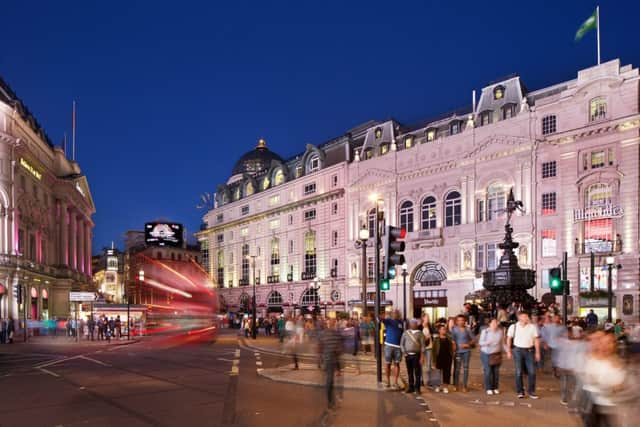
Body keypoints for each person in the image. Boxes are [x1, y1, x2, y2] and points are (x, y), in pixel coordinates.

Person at [581, 332, 628, 426]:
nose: (604, 346)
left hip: (610, 405)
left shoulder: (617, 362)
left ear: (613, 345)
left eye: (608, 343)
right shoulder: (591, 359)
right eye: (602, 342)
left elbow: (619, 386)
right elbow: (588, 378)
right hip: (592, 402)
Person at [506, 311, 541, 399]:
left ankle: (531, 391)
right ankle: (520, 391)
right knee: (519, 372)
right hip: (517, 350)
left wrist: (537, 352)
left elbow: (536, 339)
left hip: (529, 350)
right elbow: (509, 339)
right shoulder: (513, 327)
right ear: (520, 318)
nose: (526, 318)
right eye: (524, 316)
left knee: (532, 372)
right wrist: (509, 351)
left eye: (527, 316)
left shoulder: (532, 327)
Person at [319, 319, 343, 409]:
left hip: (328, 360)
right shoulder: (336, 334)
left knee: (330, 381)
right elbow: (338, 350)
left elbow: (319, 347)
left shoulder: (323, 334)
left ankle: (331, 400)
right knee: (330, 381)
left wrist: (321, 360)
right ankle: (330, 401)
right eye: (334, 324)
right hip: (330, 360)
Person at [400, 319, 425, 394]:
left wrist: (422, 357)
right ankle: (411, 387)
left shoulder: (420, 333)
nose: (413, 324)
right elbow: (402, 343)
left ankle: (417, 388)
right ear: (409, 325)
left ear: (416, 324)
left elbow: (423, 346)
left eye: (414, 323)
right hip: (408, 356)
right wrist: (404, 352)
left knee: (417, 372)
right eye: (411, 323)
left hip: (417, 356)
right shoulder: (405, 333)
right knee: (409, 372)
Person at [479, 318, 503, 395]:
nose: (495, 324)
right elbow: (480, 342)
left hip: (496, 354)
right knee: (488, 371)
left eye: (496, 323)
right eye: (493, 323)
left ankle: (495, 387)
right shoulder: (485, 331)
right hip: (486, 353)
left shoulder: (500, 331)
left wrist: (508, 351)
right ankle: (488, 388)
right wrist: (487, 343)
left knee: (496, 372)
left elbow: (502, 343)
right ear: (489, 324)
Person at [452, 314, 475, 392]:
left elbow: (474, 340)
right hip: (458, 352)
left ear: (464, 321)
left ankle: (464, 386)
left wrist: (467, 344)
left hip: (466, 352)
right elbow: (452, 340)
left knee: (466, 368)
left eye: (462, 320)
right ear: (456, 321)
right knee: (457, 369)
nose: (460, 322)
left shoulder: (468, 329)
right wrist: (454, 346)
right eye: (459, 320)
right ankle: (455, 385)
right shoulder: (454, 329)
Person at [381, 310, 404, 389]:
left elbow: (402, 333)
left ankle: (395, 382)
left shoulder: (401, 323)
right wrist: (382, 315)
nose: (395, 314)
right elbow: (381, 319)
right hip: (389, 346)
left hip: (398, 347)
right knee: (388, 364)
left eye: (397, 313)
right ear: (392, 314)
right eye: (394, 313)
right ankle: (388, 382)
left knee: (397, 364)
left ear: (399, 314)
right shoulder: (389, 321)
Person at [432, 325, 454, 393]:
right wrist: (434, 361)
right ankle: (438, 386)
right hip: (439, 357)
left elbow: (451, 348)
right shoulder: (436, 339)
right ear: (439, 331)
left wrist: (452, 355)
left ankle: (445, 386)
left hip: (448, 358)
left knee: (447, 373)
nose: (443, 330)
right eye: (441, 329)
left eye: (444, 329)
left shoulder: (449, 338)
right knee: (438, 373)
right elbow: (433, 350)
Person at [421, 314, 434, 388]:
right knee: (421, 364)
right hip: (422, 348)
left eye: (428, 318)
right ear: (423, 318)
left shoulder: (430, 326)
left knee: (428, 365)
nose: (428, 319)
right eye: (426, 318)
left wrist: (431, 336)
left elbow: (433, 335)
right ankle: (421, 380)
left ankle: (429, 381)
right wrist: (425, 338)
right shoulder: (420, 326)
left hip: (429, 347)